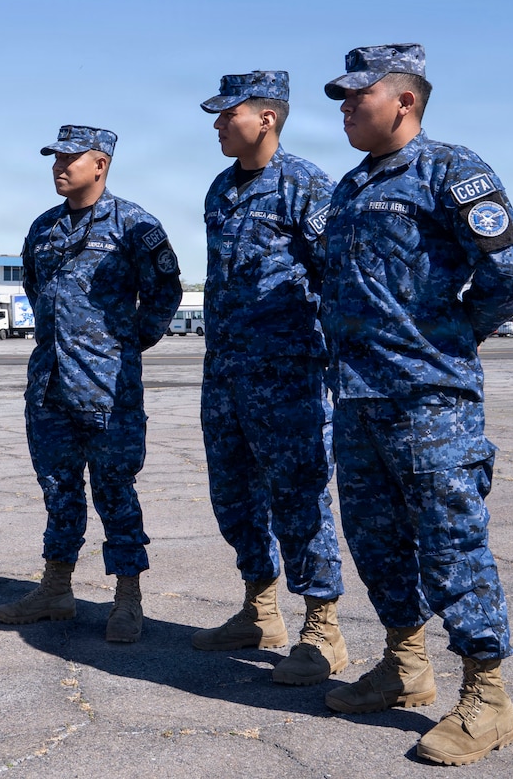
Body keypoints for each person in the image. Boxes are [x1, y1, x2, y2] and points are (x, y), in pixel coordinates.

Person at [317, 44, 513, 766]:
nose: (344, 108)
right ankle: (405, 667)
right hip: (359, 397)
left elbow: (502, 275)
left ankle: (488, 697)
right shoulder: (348, 188)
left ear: (404, 100)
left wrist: (449, 339)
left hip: (430, 399)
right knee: (374, 539)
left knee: (450, 541)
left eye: (357, 96)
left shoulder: (451, 170)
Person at [0, 126, 181, 643]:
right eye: (54, 158)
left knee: (116, 490)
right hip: (50, 385)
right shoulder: (44, 228)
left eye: (69, 159)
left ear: (100, 164)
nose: (58, 167)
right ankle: (56, 589)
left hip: (108, 388)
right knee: (58, 490)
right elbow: (35, 288)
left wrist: (124, 346)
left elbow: (164, 294)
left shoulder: (134, 225)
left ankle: (128, 597)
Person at [192, 71, 349, 686]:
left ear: (266, 118)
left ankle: (323, 629)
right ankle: (260, 610)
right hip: (226, 371)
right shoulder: (220, 189)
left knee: (300, 499)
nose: (217, 125)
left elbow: (334, 279)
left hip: (288, 377)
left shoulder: (306, 186)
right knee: (232, 496)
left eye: (228, 114)